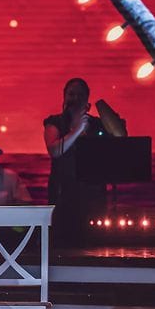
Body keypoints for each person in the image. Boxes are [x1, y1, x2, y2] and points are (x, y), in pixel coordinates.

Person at [43, 78, 105, 247]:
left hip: (92, 192)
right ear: (64, 96)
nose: (75, 98)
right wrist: (77, 131)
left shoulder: (96, 124)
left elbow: (119, 135)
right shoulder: (54, 122)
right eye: (71, 94)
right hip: (62, 191)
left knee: (93, 241)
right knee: (62, 238)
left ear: (87, 99)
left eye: (80, 95)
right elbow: (55, 150)